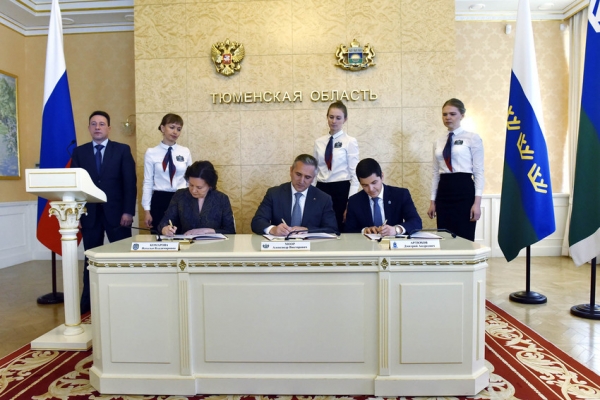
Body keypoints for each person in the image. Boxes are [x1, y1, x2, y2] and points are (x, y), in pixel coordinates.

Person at [71, 110, 137, 314]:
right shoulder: (79, 153)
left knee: (122, 257)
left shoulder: (122, 150)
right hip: (90, 215)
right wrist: (77, 214)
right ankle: (88, 303)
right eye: (93, 124)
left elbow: (130, 184)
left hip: (118, 215)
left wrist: (128, 211)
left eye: (101, 124)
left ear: (109, 128)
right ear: (88, 128)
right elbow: (75, 187)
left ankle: (125, 298)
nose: (97, 127)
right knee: (90, 259)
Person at [427, 98, 484, 241]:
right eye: (445, 114)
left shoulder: (472, 138)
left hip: (464, 189)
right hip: (444, 191)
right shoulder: (438, 141)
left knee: (464, 236)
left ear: (462, 115)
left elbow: (479, 172)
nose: (448, 117)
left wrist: (477, 203)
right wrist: (432, 201)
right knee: (445, 236)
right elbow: (435, 173)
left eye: (452, 114)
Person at [251, 154, 338, 236]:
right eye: (298, 174)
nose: (301, 181)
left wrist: (308, 230)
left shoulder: (323, 199)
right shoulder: (274, 194)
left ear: (313, 178)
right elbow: (257, 222)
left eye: (307, 177)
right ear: (291, 171)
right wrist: (273, 229)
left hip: (311, 245)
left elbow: (332, 229)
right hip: (281, 244)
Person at [313, 100, 359, 230]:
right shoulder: (319, 142)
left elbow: (355, 175)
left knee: (340, 228)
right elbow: (314, 172)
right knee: (320, 228)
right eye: (331, 117)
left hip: (341, 190)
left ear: (345, 119)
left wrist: (350, 203)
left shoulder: (350, 141)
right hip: (321, 189)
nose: (334, 121)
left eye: (338, 118)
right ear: (327, 117)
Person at [345, 158, 422, 235]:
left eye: (374, 183)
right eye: (365, 185)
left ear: (382, 176)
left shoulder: (400, 195)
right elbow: (348, 230)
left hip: (393, 241)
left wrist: (396, 230)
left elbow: (416, 222)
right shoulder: (354, 201)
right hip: (366, 242)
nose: (371, 189)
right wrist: (364, 231)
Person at [142, 113, 192, 231]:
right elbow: (148, 182)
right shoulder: (151, 152)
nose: (175, 132)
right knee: (160, 234)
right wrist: (146, 210)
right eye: (172, 127)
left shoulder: (185, 151)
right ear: (162, 128)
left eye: (178, 129)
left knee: (182, 235)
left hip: (181, 198)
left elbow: (190, 180)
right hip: (160, 198)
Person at [158, 161, 235, 236]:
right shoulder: (180, 195)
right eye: (191, 185)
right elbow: (164, 223)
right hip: (186, 243)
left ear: (210, 185)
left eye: (199, 187)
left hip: (215, 244)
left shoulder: (222, 199)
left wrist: (207, 231)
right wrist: (165, 229)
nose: (194, 190)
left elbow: (230, 231)